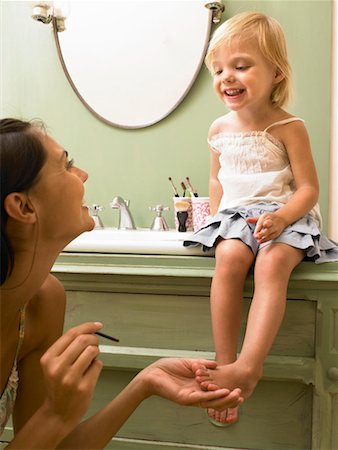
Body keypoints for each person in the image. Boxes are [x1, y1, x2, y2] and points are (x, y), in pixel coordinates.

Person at [0, 118, 244, 448]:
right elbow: (49, 427)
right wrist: (56, 415)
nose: (82, 174)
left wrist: (144, 384)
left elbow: (49, 445)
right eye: (66, 165)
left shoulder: (42, 302)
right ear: (23, 206)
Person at [184, 11, 338, 427]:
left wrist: (283, 217)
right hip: (237, 217)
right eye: (219, 69)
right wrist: (217, 222)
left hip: (287, 217)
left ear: (276, 72)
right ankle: (224, 363)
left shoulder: (289, 126)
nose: (227, 77)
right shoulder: (218, 128)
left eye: (241, 66)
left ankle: (249, 366)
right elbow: (217, 180)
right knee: (229, 259)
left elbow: (308, 188)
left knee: (270, 263)